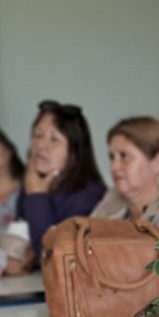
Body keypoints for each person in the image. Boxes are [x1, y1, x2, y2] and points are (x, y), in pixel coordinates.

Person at [18, 100, 105, 260]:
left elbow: (52, 256)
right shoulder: (34, 180)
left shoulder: (88, 196)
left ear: (74, 152)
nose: (40, 145)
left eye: (54, 139)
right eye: (37, 135)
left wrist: (37, 195)